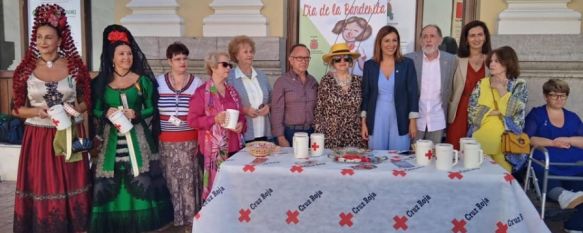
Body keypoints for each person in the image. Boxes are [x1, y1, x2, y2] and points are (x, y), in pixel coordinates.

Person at [12, 4, 92, 232]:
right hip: (38, 136)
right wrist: (38, 112)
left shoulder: (75, 67)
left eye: (49, 37)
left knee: (70, 179)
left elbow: (87, 100)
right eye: (39, 37)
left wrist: (74, 110)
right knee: (42, 183)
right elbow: (16, 108)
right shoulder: (24, 70)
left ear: (60, 40)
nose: (43, 42)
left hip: (70, 133)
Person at [90, 24, 173, 233]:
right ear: (112, 58)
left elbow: (151, 108)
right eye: (121, 54)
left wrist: (136, 114)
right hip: (111, 139)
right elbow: (95, 110)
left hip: (138, 137)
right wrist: (106, 113)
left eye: (129, 53)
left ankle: (144, 223)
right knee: (106, 180)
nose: (126, 57)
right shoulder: (101, 82)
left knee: (140, 177)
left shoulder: (142, 81)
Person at [524, 79, 583, 232]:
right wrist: (553, 143)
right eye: (554, 95)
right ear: (545, 96)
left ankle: (575, 226)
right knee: (544, 169)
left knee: (580, 187)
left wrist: (568, 139)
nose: (559, 99)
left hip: (573, 164)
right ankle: (563, 196)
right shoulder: (537, 114)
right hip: (547, 161)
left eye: (563, 96)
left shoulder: (573, 117)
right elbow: (529, 138)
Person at [156, 42, 203, 231]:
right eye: (178, 59)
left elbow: (202, 110)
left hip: (189, 141)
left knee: (189, 180)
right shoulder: (158, 82)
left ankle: (192, 220)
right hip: (167, 141)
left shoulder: (197, 83)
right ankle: (173, 219)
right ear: (170, 61)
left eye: (185, 58)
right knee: (171, 179)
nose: (182, 62)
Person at [187, 51, 245, 200]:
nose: (228, 68)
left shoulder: (232, 92)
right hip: (211, 152)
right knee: (216, 192)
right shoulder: (202, 93)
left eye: (230, 65)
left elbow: (242, 116)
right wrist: (214, 119)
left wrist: (241, 125)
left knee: (233, 192)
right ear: (213, 67)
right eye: (224, 64)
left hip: (234, 149)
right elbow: (192, 120)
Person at [468, 46, 527, 172]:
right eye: (491, 61)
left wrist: (500, 88)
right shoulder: (482, 83)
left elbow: (515, 112)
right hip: (481, 140)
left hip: (506, 144)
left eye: (497, 61)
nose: (492, 64)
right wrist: (496, 112)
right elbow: (472, 112)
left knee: (502, 181)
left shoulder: (519, 84)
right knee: (478, 180)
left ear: (508, 63)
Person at [361, 25, 419, 150]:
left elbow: (413, 93)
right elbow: (366, 95)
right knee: (377, 156)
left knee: (399, 156)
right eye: (387, 40)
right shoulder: (370, 65)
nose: (391, 44)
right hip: (376, 117)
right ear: (379, 43)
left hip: (400, 117)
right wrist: (364, 123)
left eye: (394, 40)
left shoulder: (407, 64)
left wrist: (413, 122)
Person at [405, 25, 457, 144]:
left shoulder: (451, 60)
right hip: (415, 120)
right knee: (413, 157)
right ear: (420, 40)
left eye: (432, 36)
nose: (428, 40)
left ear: (440, 40)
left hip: (437, 119)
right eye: (425, 36)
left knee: (433, 158)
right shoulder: (409, 59)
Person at [447, 20, 492, 149]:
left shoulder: (492, 60)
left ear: (485, 37)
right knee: (455, 148)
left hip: (482, 112)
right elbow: (449, 87)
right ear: (466, 39)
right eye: (472, 35)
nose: (476, 39)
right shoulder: (456, 60)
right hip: (459, 111)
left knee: (477, 150)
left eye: (480, 34)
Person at [314, 43, 364, 148]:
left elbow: (364, 107)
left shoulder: (359, 81)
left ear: (350, 62)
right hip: (331, 134)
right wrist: (318, 131)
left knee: (352, 162)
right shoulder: (326, 80)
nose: (342, 61)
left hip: (353, 134)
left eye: (346, 59)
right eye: (337, 59)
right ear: (332, 63)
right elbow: (319, 107)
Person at [271, 44, 318, 147]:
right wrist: (280, 137)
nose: (304, 61)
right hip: (290, 133)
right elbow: (276, 111)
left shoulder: (313, 81)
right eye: (299, 58)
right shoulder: (282, 82)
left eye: (306, 58)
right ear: (291, 60)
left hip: (311, 133)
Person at [227, 35, 272, 143]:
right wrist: (244, 110)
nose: (250, 54)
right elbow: (224, 102)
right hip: (244, 134)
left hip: (264, 132)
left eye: (251, 51)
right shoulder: (229, 77)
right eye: (245, 52)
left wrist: (269, 107)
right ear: (236, 55)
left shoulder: (261, 75)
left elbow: (272, 97)